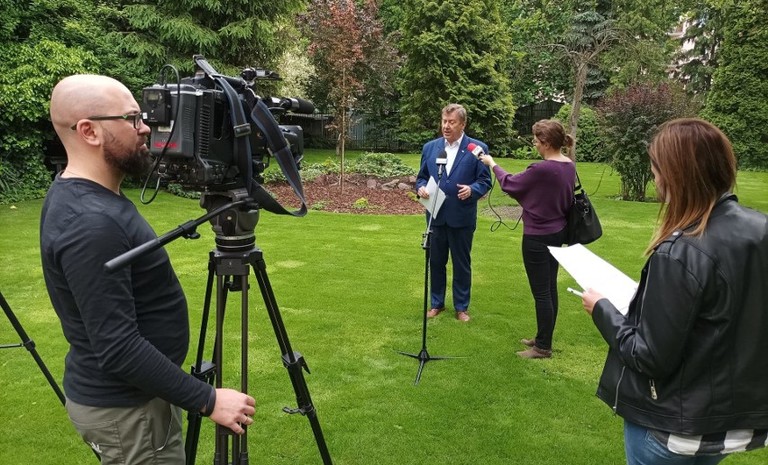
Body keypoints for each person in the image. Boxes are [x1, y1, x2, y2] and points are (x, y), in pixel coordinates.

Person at [41, 74, 256, 464]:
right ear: (89, 131)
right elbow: (117, 347)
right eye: (132, 119)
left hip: (137, 399)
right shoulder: (92, 223)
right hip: (129, 411)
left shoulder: (80, 196)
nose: (146, 129)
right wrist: (208, 400)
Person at [581, 118, 768, 464]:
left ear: (675, 174)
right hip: (721, 423)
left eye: (656, 168)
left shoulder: (681, 252)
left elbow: (648, 356)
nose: (654, 178)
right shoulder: (760, 228)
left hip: (672, 429)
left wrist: (602, 309)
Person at [478, 119, 575, 358]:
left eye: (536, 141)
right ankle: (543, 337)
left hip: (538, 236)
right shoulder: (568, 165)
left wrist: (492, 164)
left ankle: (542, 347)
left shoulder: (543, 169)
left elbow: (511, 184)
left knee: (541, 292)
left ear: (546, 143)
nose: (534, 144)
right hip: (558, 232)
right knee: (550, 287)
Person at [416, 103, 492, 322]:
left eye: (452, 122)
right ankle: (436, 303)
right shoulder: (430, 148)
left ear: (463, 124)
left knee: (461, 264)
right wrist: (421, 188)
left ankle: (461, 307)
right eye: (444, 121)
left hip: (462, 216)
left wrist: (473, 190)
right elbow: (422, 177)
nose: (446, 126)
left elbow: (485, 180)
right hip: (436, 216)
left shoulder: (476, 148)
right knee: (436, 262)